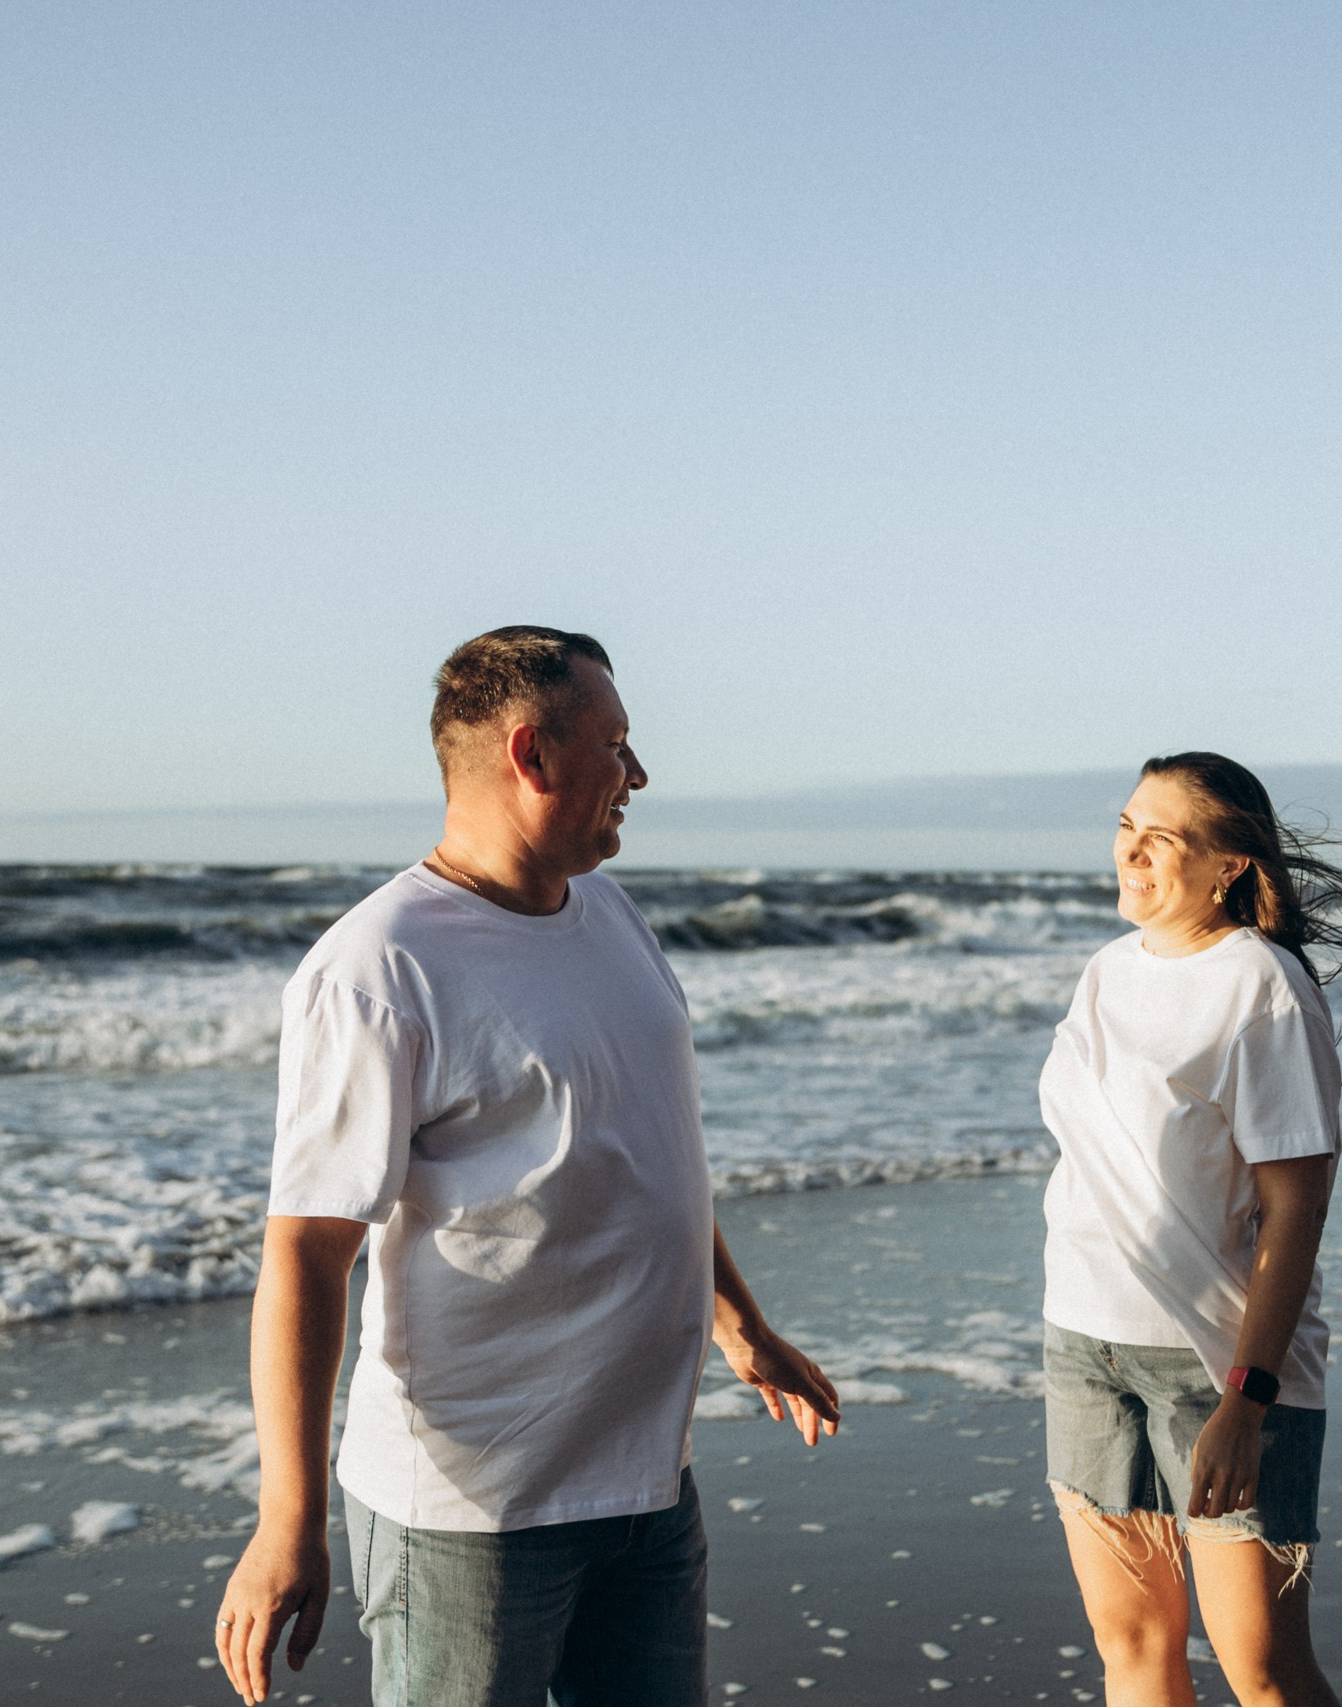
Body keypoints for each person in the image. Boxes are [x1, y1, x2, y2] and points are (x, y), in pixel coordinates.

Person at [214, 625, 840, 1707]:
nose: (638, 775)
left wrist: (740, 1322)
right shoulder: (377, 969)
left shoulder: (610, 915)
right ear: (530, 754)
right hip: (475, 1512)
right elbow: (308, 1255)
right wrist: (286, 1522)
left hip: (646, 1482)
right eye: (618, 745)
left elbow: (648, 1154)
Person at [1038, 751, 1342, 1707]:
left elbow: (1298, 1205)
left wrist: (1249, 1398)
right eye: (1126, 826)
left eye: (1162, 837)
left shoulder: (1262, 987)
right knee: (1134, 1647)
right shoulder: (1107, 971)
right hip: (1085, 1346)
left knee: (1265, 1673)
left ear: (1230, 863)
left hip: (1217, 1364)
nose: (1132, 851)